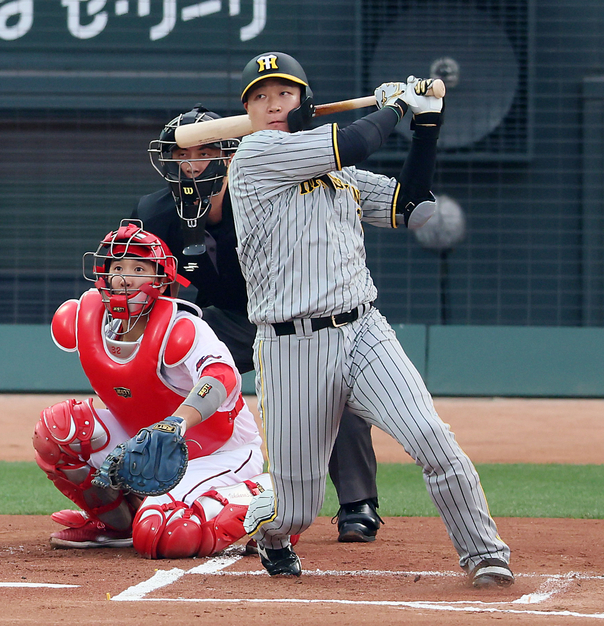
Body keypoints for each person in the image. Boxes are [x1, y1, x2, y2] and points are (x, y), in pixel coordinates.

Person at [228, 51, 515, 587]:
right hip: (292, 347)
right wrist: (394, 108)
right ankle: (269, 532)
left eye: (283, 94)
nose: (271, 105)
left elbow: (414, 208)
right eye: (259, 97)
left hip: (362, 329)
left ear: (304, 100)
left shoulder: (341, 176)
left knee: (431, 437)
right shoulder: (254, 154)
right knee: (296, 508)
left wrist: (426, 123)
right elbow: (352, 141)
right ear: (247, 111)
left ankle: (485, 554)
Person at [132, 105, 383, 543]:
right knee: (160, 368)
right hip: (216, 323)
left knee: (330, 384)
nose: (191, 164)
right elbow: (152, 287)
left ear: (229, 154)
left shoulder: (261, 191)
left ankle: (357, 504)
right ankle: (157, 490)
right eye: (181, 154)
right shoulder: (154, 212)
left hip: (284, 311)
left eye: (205, 151)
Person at [33, 220, 271, 558]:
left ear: (161, 279)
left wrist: (177, 423)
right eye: (118, 266)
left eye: (139, 267)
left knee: (165, 535)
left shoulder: (182, 327)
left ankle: (265, 503)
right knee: (58, 430)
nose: (125, 277)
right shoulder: (84, 320)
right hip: (148, 442)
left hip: (220, 450)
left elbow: (221, 377)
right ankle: (116, 524)